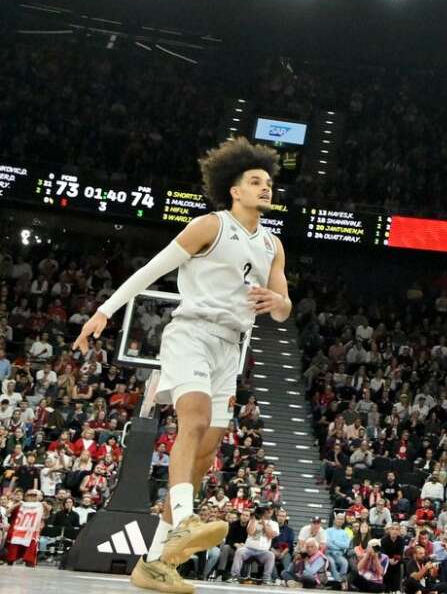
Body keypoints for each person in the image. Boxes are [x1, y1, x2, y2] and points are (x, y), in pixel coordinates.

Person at [74, 138, 292, 594]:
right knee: (191, 420)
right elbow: (151, 270)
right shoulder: (209, 226)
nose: (265, 188)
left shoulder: (273, 244)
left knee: (207, 452)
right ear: (234, 190)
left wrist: (279, 302)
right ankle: (185, 519)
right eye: (255, 181)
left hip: (231, 349)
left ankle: (153, 564)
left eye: (269, 183)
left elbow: (283, 305)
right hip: (192, 332)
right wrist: (105, 311)